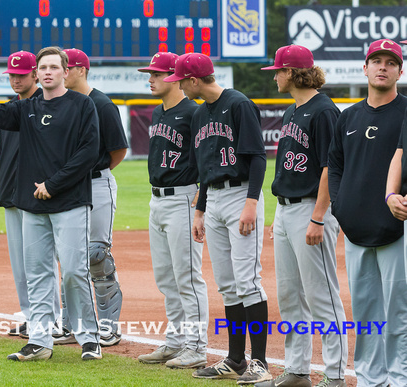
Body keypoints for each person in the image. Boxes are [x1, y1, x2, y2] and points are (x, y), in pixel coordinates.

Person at [0, 46, 101, 361]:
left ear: (66, 72)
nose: (49, 72)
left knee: (73, 272)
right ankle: (40, 340)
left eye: (55, 67)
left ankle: (89, 338)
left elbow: (89, 151)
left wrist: (53, 185)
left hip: (70, 201)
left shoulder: (82, 105)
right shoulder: (26, 108)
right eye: (44, 67)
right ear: (37, 73)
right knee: (37, 273)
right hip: (32, 205)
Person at [165, 53, 271, 384]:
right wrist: (199, 209)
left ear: (194, 80)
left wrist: (251, 202)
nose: (179, 85)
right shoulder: (199, 114)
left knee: (247, 280)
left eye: (181, 80)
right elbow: (206, 168)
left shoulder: (239, 104)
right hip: (214, 198)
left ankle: (260, 362)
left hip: (242, 195)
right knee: (227, 284)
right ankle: (235, 359)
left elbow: (257, 158)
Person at [258, 45, 348, 387]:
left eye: (279, 71)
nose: (276, 76)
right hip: (286, 211)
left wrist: (318, 216)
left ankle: (336, 374)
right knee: (290, 296)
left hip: (312, 208)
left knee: (321, 295)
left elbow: (331, 167)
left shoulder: (324, 111)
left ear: (295, 73)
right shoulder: (292, 111)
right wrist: (278, 218)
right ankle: (296, 370)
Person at [329, 39, 407, 387]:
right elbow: (335, 166)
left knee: (398, 310)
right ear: (364, 67)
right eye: (376, 60)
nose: (382, 67)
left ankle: (399, 376)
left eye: (390, 62)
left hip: (397, 226)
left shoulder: (405, 111)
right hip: (356, 228)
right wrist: (338, 205)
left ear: (399, 72)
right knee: (365, 312)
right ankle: (370, 378)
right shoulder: (348, 116)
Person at [135, 52, 209, 369]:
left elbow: (206, 160)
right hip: (158, 200)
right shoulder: (158, 113)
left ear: (174, 77)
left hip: (184, 198)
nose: (150, 78)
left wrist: (200, 204)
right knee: (166, 278)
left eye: (155, 74)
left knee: (188, 278)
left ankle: (196, 346)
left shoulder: (194, 113)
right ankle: (176, 342)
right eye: (149, 73)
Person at [52, 48, 128, 347]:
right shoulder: (61, 103)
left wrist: (93, 172)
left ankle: (109, 325)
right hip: (68, 188)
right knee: (69, 257)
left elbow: (118, 150)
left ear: (80, 70)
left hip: (96, 184)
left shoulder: (102, 104)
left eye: (65, 68)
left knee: (96, 255)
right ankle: (72, 325)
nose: (61, 73)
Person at [0, 51, 60, 338]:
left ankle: (53, 318)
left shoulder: (43, 106)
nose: (16, 79)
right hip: (11, 194)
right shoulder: (11, 107)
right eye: (12, 74)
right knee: (21, 265)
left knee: (42, 262)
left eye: (21, 74)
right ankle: (32, 317)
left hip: (37, 195)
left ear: (35, 74)